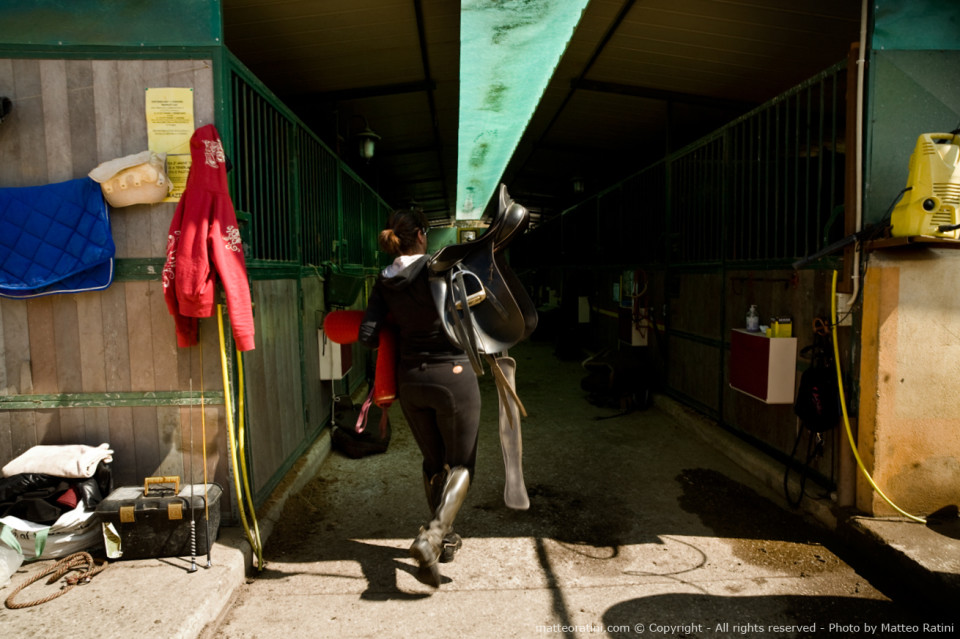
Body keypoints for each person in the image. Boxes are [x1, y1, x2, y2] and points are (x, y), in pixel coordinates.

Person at [358, 207, 481, 588]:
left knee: (433, 462)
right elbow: (478, 298)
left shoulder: (383, 280)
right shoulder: (439, 267)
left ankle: (444, 540)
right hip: (453, 375)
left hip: (410, 380)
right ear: (423, 236)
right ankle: (432, 536)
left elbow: (366, 334)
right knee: (461, 465)